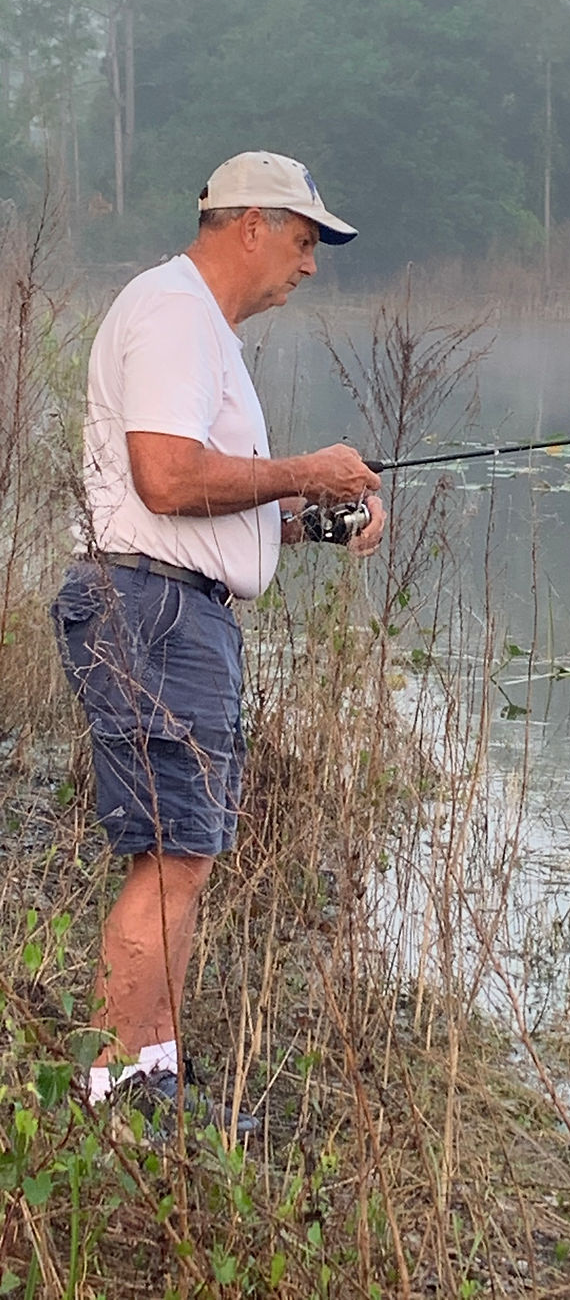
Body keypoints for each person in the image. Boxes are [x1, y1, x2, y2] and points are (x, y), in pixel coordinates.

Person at [51, 151, 385, 1136]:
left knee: (181, 853)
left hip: (175, 607)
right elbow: (164, 478)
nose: (311, 264)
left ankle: (149, 1074)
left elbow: (203, 499)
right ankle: (117, 1089)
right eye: (304, 239)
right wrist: (302, 467)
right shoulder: (170, 312)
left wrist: (313, 511)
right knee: (170, 856)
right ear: (251, 223)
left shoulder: (205, 331)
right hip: (150, 611)